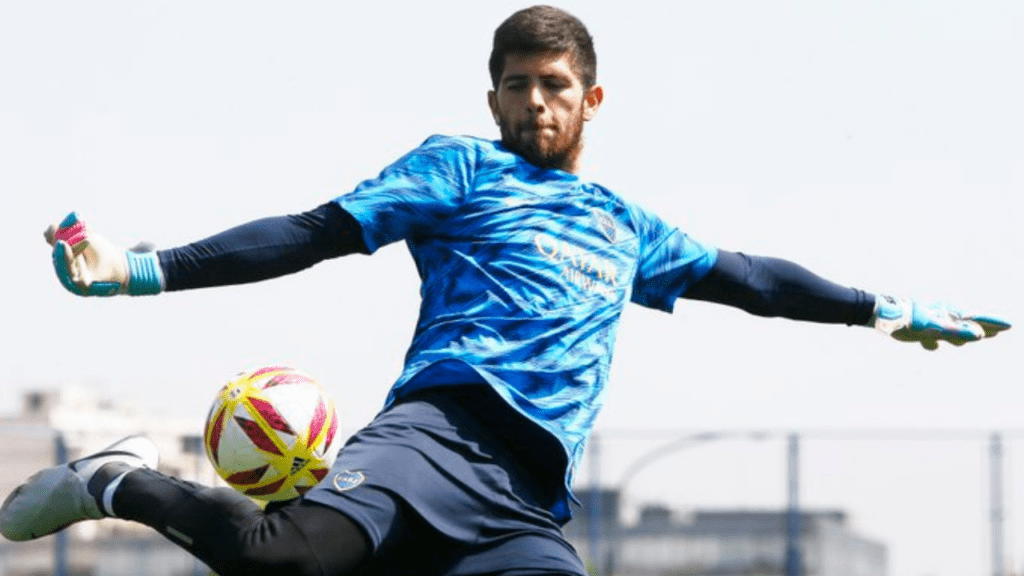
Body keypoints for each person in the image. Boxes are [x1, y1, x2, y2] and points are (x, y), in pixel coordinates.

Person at [0, 5, 1009, 576]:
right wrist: (135, 270)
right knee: (284, 566)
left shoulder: (626, 228)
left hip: (526, 504)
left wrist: (879, 309)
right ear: (493, 97)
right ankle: (115, 480)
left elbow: (748, 278)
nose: (536, 99)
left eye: (555, 83)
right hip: (436, 439)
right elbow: (310, 234)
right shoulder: (459, 170)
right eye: (517, 83)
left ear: (590, 98)